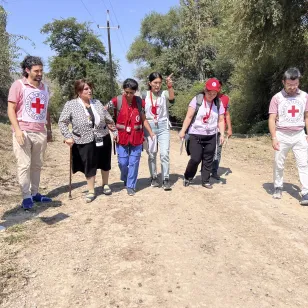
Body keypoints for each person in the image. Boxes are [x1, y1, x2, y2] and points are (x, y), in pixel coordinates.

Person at [58, 79, 117, 203]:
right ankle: (91, 190)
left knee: (104, 161)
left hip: (102, 136)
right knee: (89, 164)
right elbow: (62, 122)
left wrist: (114, 132)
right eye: (86, 88)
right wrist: (68, 136)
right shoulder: (71, 104)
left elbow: (108, 119)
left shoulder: (97, 103)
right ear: (79, 91)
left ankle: (105, 184)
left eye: (90, 88)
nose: (89, 90)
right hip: (84, 139)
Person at [7, 55, 53, 210]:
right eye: (36, 71)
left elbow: (46, 109)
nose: (40, 73)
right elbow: (11, 109)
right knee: (24, 165)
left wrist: (49, 130)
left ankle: (35, 193)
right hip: (24, 132)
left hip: (40, 131)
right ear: (27, 70)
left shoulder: (45, 88)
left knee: (37, 165)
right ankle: (26, 196)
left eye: (41, 70)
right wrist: (18, 130)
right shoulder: (18, 85)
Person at [107, 78, 155, 196]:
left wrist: (151, 132)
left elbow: (143, 119)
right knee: (122, 162)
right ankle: (126, 177)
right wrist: (113, 130)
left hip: (137, 137)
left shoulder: (139, 102)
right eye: (126, 92)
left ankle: (131, 185)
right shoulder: (116, 101)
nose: (128, 95)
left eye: (131, 93)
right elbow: (102, 112)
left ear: (135, 91)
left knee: (134, 162)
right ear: (123, 90)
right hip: (121, 137)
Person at [268, 67, 308, 205]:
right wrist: (274, 137)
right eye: (290, 85)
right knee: (278, 163)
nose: (293, 87)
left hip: (299, 134)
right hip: (282, 135)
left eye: (295, 84)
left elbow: (307, 116)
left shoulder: (304, 96)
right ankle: (278, 187)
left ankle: (305, 192)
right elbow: (272, 118)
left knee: (303, 163)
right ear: (283, 82)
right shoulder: (277, 98)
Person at [179, 78, 225, 189]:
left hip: (211, 135)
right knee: (195, 158)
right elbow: (189, 116)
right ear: (205, 90)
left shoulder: (218, 103)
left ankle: (205, 180)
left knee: (209, 158)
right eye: (209, 92)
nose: (211, 95)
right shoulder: (197, 100)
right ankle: (188, 176)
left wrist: (222, 134)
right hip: (195, 134)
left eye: (214, 93)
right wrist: (183, 130)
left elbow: (221, 120)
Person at [143, 72, 175, 190]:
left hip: (163, 126)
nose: (157, 85)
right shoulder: (144, 95)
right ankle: (154, 177)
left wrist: (170, 86)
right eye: (155, 83)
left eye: (160, 83)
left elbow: (171, 98)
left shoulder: (164, 93)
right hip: (149, 126)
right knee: (152, 154)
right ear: (149, 83)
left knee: (164, 153)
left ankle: (166, 179)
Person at [211, 81, 233, 180]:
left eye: (219, 87)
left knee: (218, 151)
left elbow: (227, 114)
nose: (217, 89)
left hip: (220, 129)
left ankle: (214, 171)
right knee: (208, 150)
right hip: (208, 128)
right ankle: (206, 169)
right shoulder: (208, 96)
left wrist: (229, 128)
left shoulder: (225, 98)